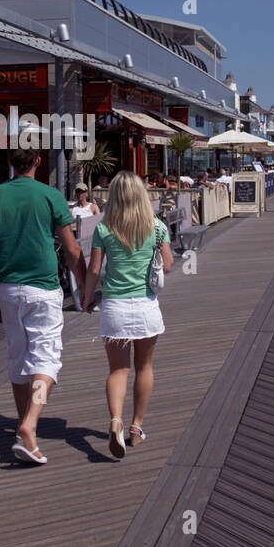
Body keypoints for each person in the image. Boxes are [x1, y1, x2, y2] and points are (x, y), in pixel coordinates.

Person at [0, 148, 87, 465]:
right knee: (46, 361)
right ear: (39, 161)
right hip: (44, 289)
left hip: (8, 290)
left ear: (10, 163)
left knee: (18, 358)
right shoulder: (51, 196)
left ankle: (24, 429)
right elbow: (72, 248)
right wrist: (88, 288)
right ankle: (29, 423)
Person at [82, 172, 172, 458]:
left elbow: (94, 270)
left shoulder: (104, 228)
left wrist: (87, 297)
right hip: (146, 307)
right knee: (144, 367)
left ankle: (116, 421)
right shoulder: (157, 228)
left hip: (114, 308)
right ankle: (136, 428)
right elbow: (167, 265)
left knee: (118, 370)